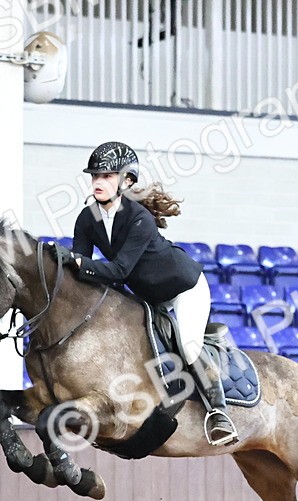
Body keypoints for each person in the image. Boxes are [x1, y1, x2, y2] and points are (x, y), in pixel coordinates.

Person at [67, 141, 238, 446]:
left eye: (106, 176)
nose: (98, 182)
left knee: (187, 346)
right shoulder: (87, 218)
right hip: (148, 296)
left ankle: (218, 412)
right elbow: (79, 267)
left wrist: (78, 263)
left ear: (126, 181)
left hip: (184, 288)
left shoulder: (138, 218)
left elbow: (117, 270)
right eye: (94, 176)